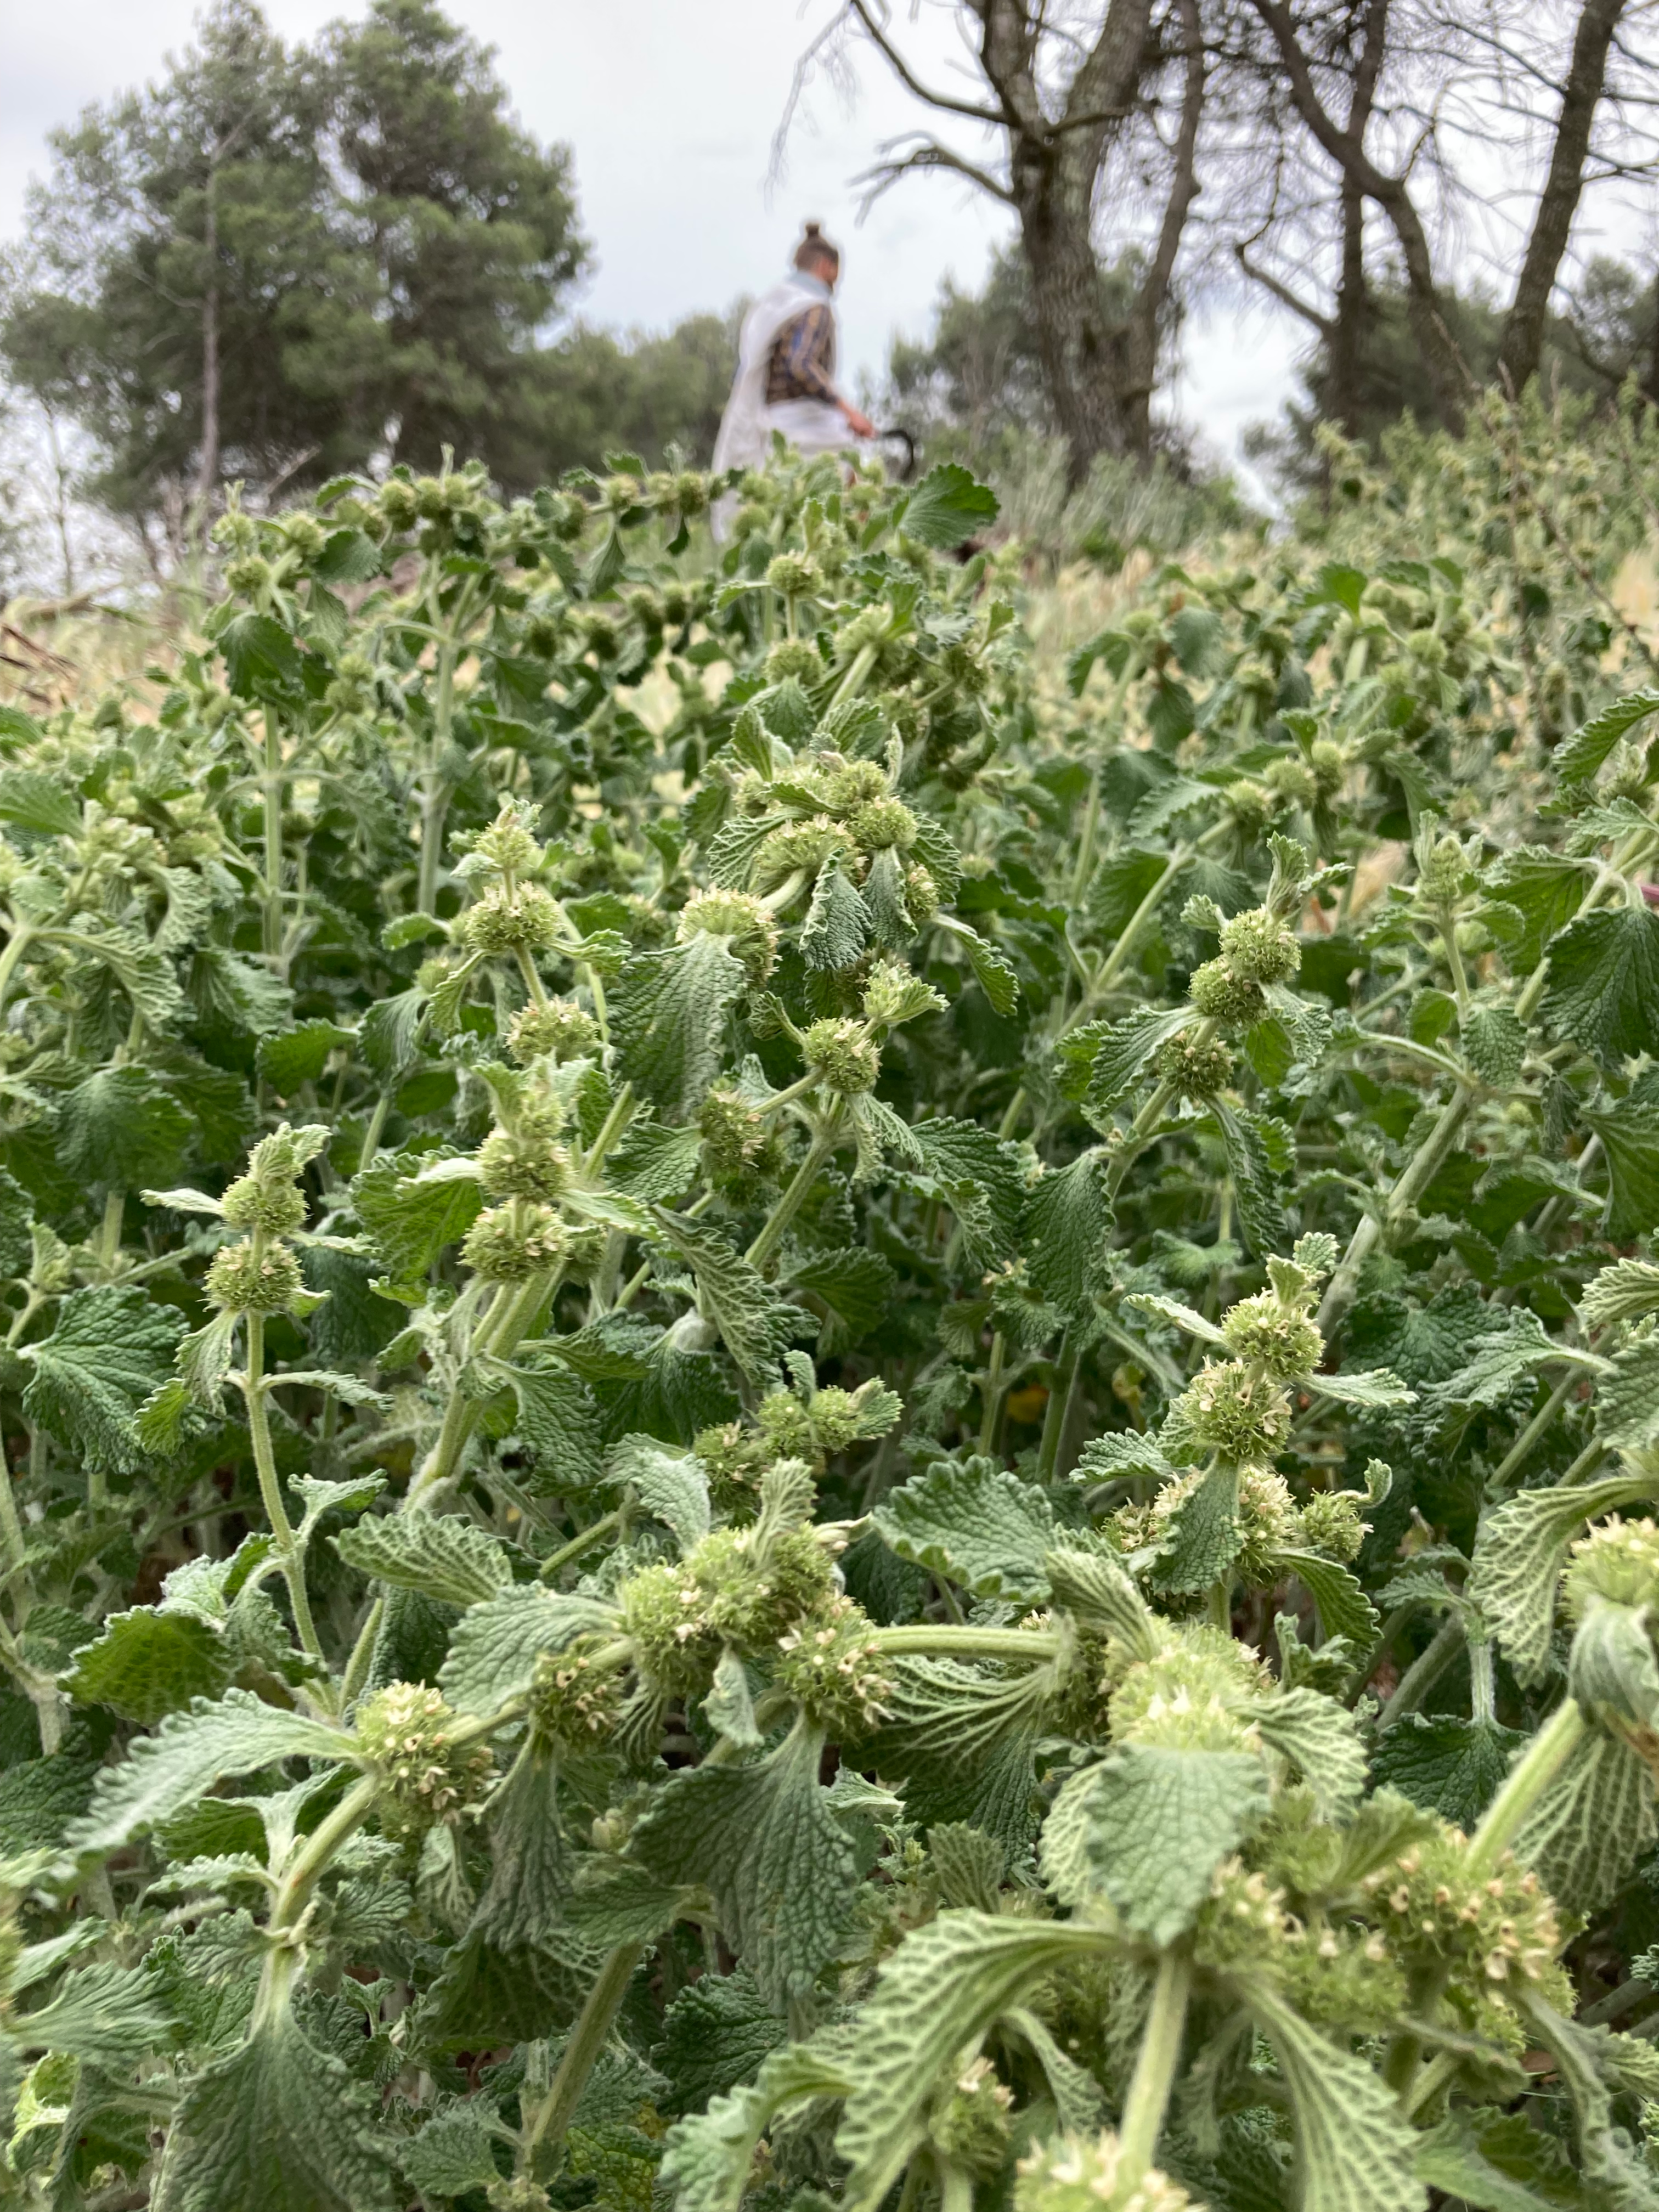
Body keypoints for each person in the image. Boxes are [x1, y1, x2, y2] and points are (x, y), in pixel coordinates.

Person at [712, 223, 874, 532]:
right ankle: (854, 563)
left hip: (774, 426)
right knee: (853, 488)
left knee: (784, 514)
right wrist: (849, 411)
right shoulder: (815, 308)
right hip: (806, 428)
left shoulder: (771, 307)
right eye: (836, 273)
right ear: (827, 266)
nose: (836, 283)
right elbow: (801, 364)